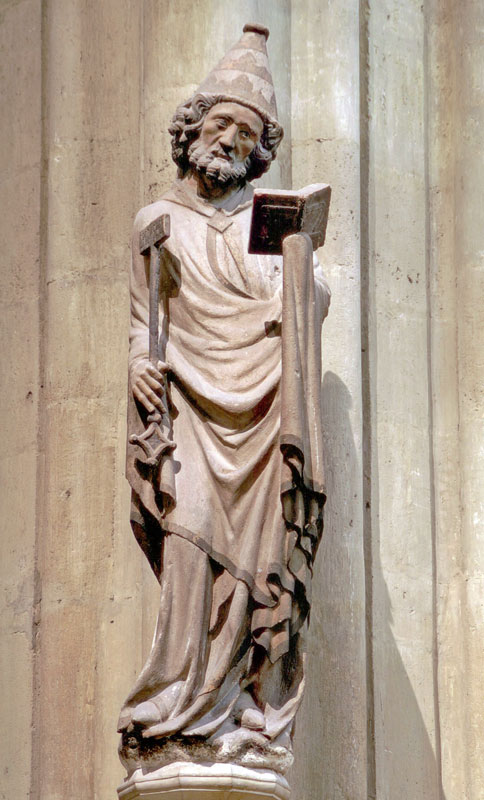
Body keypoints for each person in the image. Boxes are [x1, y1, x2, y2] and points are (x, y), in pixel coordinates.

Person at [118, 23, 331, 771]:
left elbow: (307, 304)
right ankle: (176, 699)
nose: (232, 140)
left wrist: (302, 270)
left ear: (258, 148)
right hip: (190, 412)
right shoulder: (158, 223)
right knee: (189, 543)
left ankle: (237, 701)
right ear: (195, 129)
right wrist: (138, 367)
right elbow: (143, 321)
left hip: (262, 410)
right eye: (222, 124)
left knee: (257, 559)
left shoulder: (262, 223)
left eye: (247, 132)